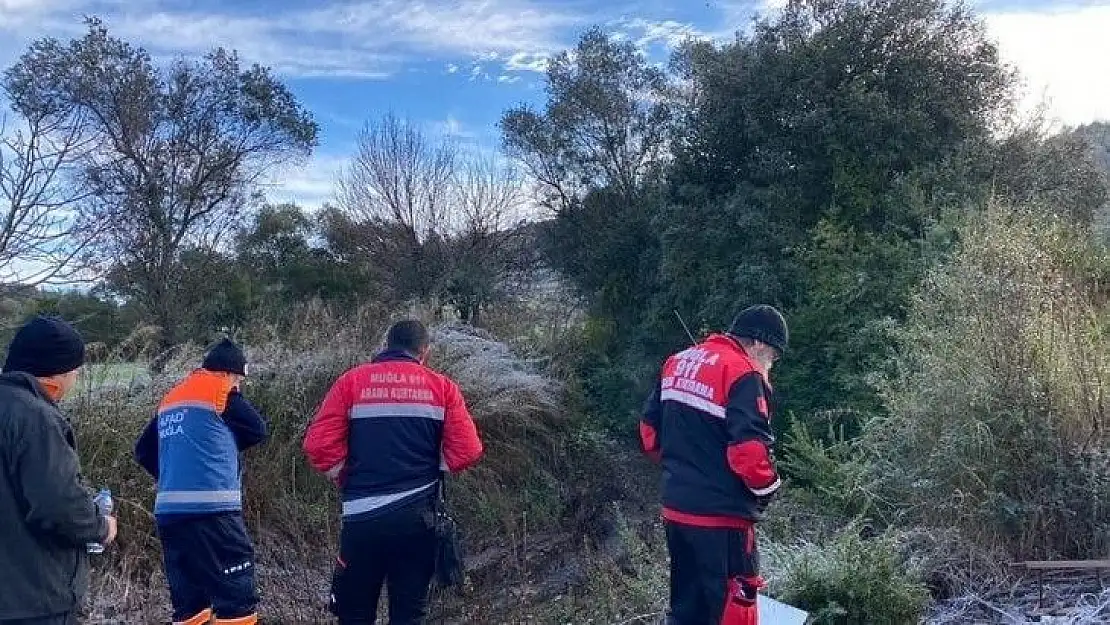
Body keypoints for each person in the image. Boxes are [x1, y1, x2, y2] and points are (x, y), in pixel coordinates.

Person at [303, 319, 484, 625]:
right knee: (410, 613)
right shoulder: (442, 387)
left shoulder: (351, 382)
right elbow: (468, 450)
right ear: (424, 351)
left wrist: (344, 476)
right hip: (418, 520)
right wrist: (435, 466)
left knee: (355, 612)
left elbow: (317, 445)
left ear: (385, 346)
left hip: (362, 519)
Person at [639, 305, 788, 625]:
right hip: (723, 521)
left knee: (686, 609)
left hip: (677, 511)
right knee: (733, 607)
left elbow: (650, 435)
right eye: (773, 358)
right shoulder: (743, 373)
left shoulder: (676, 362)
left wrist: (684, 470)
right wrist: (769, 488)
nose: (770, 366)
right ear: (760, 344)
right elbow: (749, 453)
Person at [134, 338, 268, 625]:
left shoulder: (172, 397)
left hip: (170, 516)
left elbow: (143, 451)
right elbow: (257, 430)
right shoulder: (221, 390)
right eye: (239, 381)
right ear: (231, 374)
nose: (239, 387)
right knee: (237, 603)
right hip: (213, 514)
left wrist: (177, 472)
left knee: (190, 608)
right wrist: (216, 452)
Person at [0, 315, 118, 625]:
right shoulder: (35, 417)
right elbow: (57, 504)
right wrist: (101, 527)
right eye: (75, 372)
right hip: (33, 600)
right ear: (58, 374)